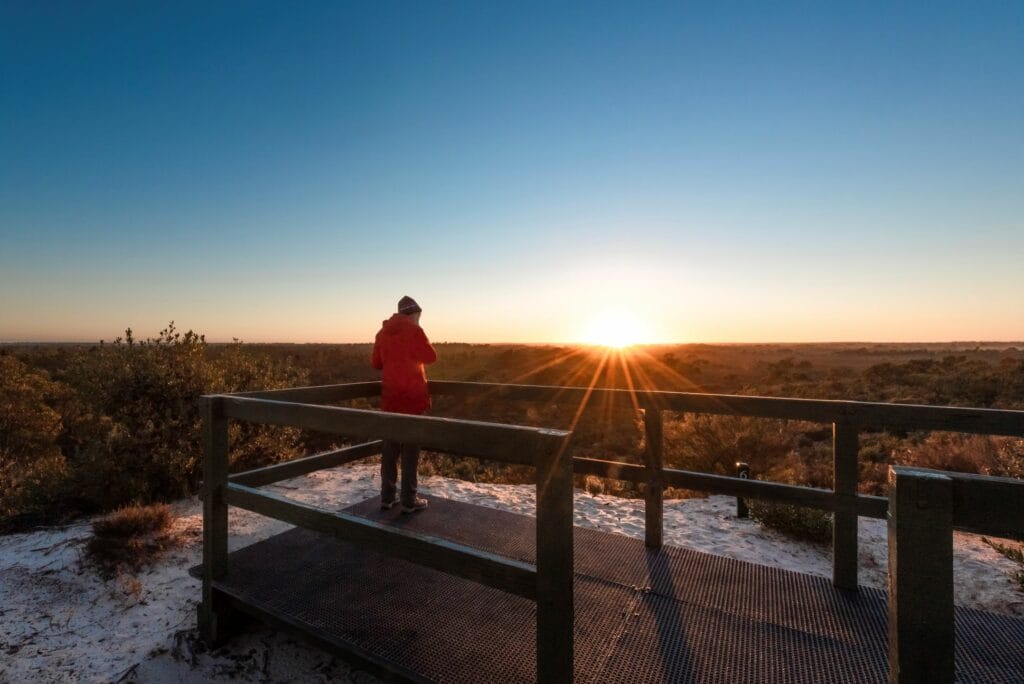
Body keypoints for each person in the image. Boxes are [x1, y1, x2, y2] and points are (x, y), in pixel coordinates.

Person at [371, 295, 437, 513]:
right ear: (414, 313)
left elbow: (376, 363)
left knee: (390, 449)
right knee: (411, 451)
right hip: (412, 399)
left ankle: (387, 497)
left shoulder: (382, 333)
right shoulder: (414, 330)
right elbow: (430, 357)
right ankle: (409, 500)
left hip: (390, 399)